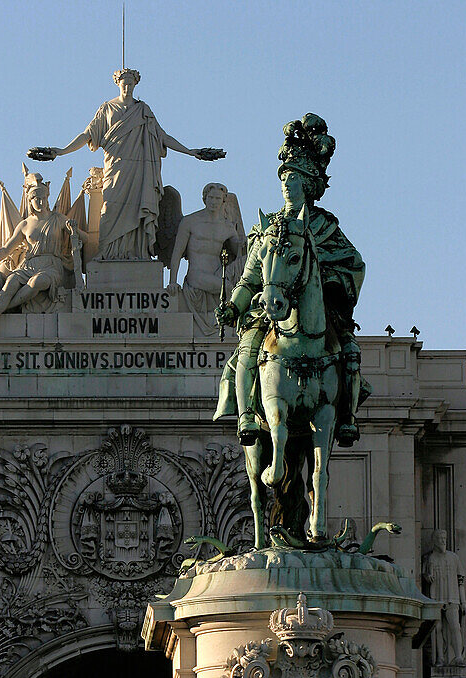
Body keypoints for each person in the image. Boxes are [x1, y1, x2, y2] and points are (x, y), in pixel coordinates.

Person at [214, 114, 366, 447]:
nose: (286, 184)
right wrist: (234, 307)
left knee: (350, 353)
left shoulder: (326, 228)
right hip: (268, 311)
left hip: (319, 313)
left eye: (293, 178)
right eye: (284, 177)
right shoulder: (270, 228)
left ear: (308, 184)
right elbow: (250, 277)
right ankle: (245, 418)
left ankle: (349, 418)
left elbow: (354, 265)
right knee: (247, 351)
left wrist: (320, 279)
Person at [29, 69, 224, 260]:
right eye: (124, 83)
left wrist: (191, 152)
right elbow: (87, 135)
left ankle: (137, 253)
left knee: (138, 209)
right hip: (116, 168)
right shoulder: (107, 109)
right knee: (110, 208)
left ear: (135, 84)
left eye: (131, 84)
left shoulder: (143, 110)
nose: (128, 87)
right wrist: (61, 151)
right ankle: (107, 252)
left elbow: (162, 137)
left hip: (140, 169)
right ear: (118, 84)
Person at [0, 177, 78, 337]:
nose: (40, 203)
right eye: (36, 199)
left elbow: (85, 238)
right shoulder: (25, 225)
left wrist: (75, 231)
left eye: (43, 198)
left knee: (36, 283)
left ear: (47, 198)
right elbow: (6, 249)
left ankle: (5, 308)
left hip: (51, 266)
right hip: (28, 265)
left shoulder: (59, 219)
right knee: (9, 286)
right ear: (30, 201)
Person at [167, 183, 246, 336]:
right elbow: (177, 252)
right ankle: (229, 325)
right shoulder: (190, 221)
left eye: (218, 198)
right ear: (204, 199)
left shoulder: (227, 226)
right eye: (210, 197)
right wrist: (172, 281)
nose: (213, 201)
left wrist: (245, 242)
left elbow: (238, 253)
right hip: (197, 275)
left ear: (224, 201)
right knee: (228, 288)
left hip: (218, 273)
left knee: (246, 263)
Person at [422, 529, 466, 665]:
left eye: (444, 538)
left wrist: (463, 602)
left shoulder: (453, 557)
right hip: (435, 598)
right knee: (437, 629)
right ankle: (440, 657)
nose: (443, 541)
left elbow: (461, 581)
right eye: (440, 538)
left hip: (452, 598)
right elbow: (425, 575)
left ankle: (458, 656)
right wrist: (427, 576)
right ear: (434, 541)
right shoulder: (429, 558)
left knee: (455, 627)